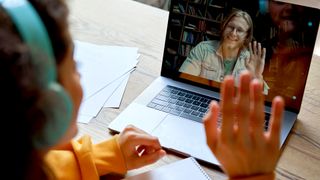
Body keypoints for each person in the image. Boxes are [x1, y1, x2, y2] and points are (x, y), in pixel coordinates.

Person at [0, 0, 284, 179]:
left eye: (241, 31)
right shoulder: (202, 50)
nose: (235, 34)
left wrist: (105, 155)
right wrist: (255, 175)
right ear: (50, 104)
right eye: (75, 66)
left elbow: (50, 168)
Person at [179, 10, 269, 94]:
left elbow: (262, 99)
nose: (233, 33)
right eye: (230, 27)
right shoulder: (203, 49)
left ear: (246, 36)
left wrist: (257, 77)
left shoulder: (251, 61)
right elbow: (184, 80)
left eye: (240, 30)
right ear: (224, 26)